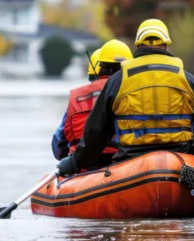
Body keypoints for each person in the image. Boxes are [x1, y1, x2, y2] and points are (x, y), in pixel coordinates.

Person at [56, 18, 194, 176]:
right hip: (180, 159)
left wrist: (76, 161)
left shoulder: (119, 80)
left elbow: (97, 130)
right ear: (166, 44)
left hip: (131, 161)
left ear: (138, 45)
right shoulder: (189, 80)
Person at [51, 41, 133, 169]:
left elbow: (59, 147)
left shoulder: (76, 96)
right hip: (124, 164)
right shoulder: (134, 92)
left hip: (83, 166)